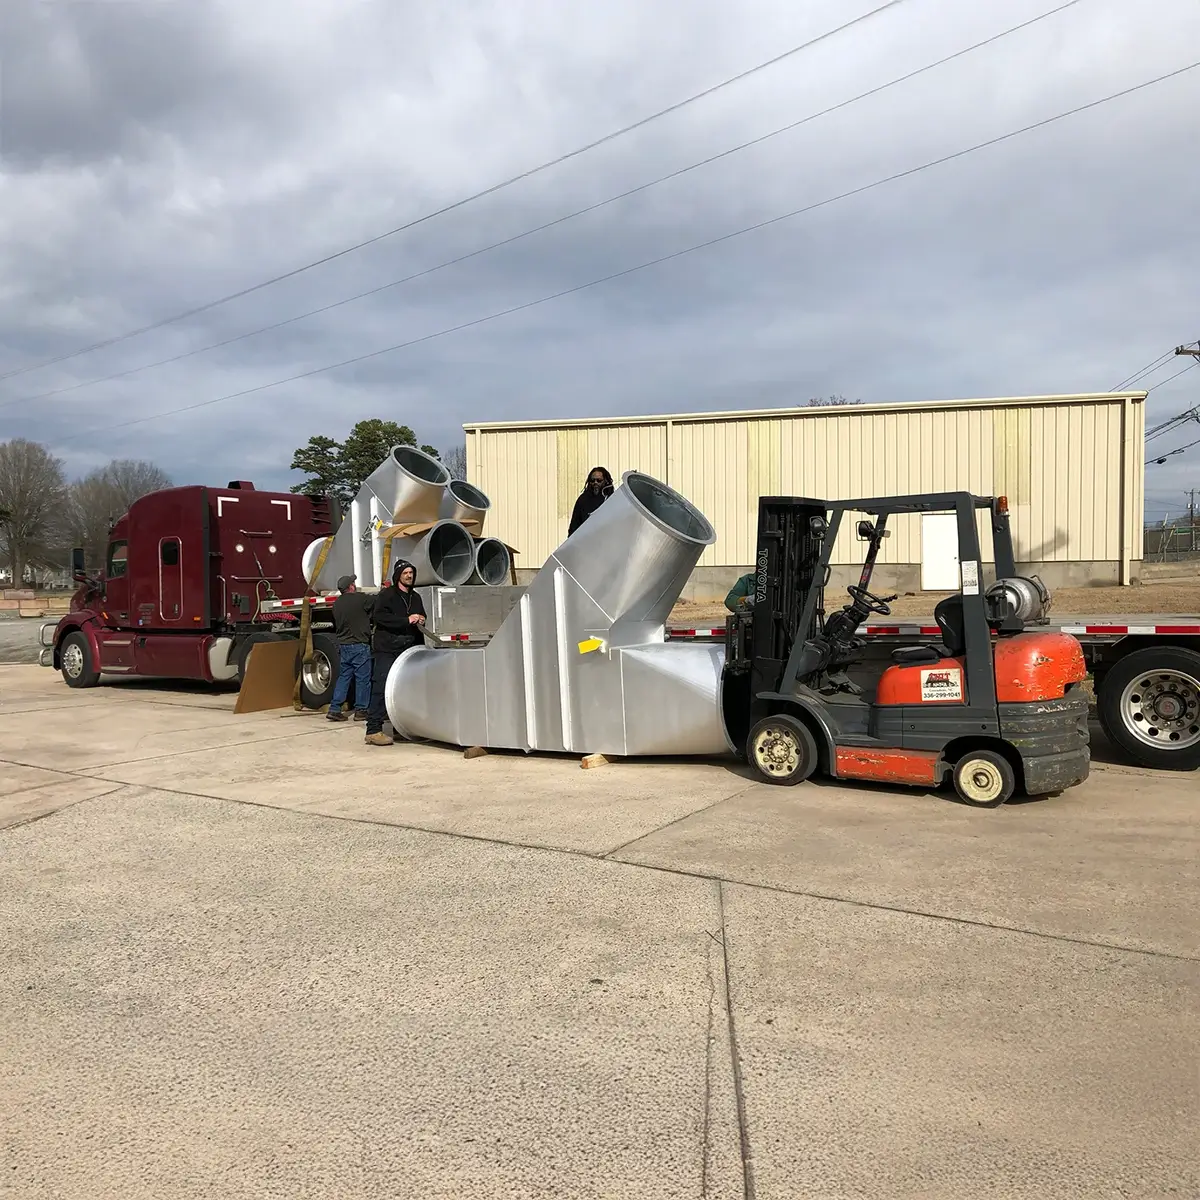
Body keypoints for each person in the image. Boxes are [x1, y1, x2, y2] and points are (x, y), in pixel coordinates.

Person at [364, 558, 426, 747]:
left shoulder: (415, 597)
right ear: (398, 575)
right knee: (381, 686)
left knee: (405, 690)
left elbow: (421, 614)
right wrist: (406, 620)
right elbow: (380, 617)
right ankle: (373, 730)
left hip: (408, 650)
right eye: (406, 573)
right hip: (387, 648)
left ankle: (400, 730)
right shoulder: (387, 595)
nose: (409, 576)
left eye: (411, 573)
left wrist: (422, 619)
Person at [326, 574, 373, 723]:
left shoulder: (337, 604)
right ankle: (361, 710)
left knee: (344, 677)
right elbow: (376, 602)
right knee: (363, 679)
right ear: (351, 586)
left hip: (344, 645)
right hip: (359, 644)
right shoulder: (360, 598)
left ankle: (334, 709)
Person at [568, 467, 614, 536]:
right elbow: (574, 526)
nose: (595, 483)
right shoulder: (583, 500)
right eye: (592, 480)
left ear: (606, 481)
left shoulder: (611, 498)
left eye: (599, 480)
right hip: (587, 540)